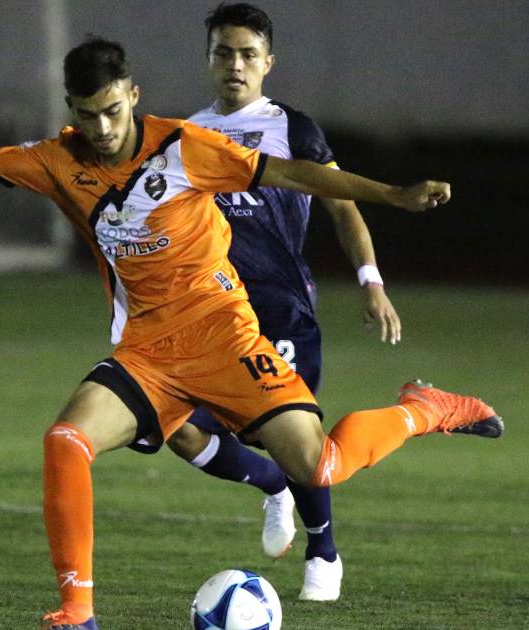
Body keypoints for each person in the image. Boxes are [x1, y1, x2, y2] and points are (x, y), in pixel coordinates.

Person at [0, 36, 501, 630]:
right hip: (148, 352)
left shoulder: (184, 147)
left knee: (317, 467)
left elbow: (296, 174)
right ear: (71, 109)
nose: (104, 127)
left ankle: (423, 409)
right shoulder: (56, 160)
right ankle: (76, 613)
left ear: (133, 95)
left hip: (226, 337)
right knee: (66, 440)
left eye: (114, 110)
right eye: (89, 115)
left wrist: (394, 195)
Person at [159, 1, 402, 601]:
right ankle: (270, 485)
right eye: (223, 53)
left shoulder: (293, 130)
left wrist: (370, 279)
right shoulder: (182, 136)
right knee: (179, 428)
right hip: (208, 316)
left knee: (299, 442)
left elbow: (343, 208)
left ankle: (324, 553)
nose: (235, 65)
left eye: (248, 54)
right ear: (208, 60)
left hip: (280, 311)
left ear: (268, 62)